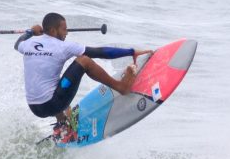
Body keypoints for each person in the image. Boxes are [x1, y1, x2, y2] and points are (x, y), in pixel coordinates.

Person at [14, 12, 152, 125]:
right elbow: (100, 52)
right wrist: (131, 51)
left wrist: (30, 32)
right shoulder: (63, 47)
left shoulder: (28, 44)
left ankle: (62, 120)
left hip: (35, 107)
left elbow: (17, 44)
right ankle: (121, 87)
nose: (66, 33)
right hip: (53, 104)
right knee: (84, 60)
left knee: (50, 79)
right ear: (52, 30)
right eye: (64, 29)